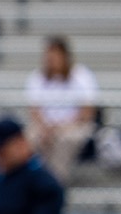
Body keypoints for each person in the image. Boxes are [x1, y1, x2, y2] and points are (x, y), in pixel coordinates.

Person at [25, 36, 98, 182]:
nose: (50, 60)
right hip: (45, 127)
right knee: (28, 139)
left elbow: (86, 112)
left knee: (64, 140)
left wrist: (60, 128)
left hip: (74, 126)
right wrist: (46, 128)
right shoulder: (37, 77)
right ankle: (30, 183)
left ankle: (55, 184)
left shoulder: (81, 75)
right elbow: (34, 110)